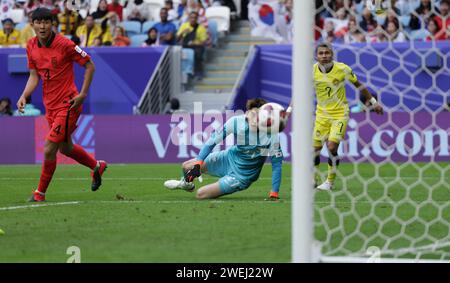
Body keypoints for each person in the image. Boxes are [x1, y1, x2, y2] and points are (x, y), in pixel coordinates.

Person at [16, 8, 108, 202]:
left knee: (49, 148)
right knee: (65, 148)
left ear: (52, 24)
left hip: (69, 104)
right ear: (32, 24)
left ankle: (39, 194)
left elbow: (90, 65)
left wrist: (82, 94)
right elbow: (34, 75)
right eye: (38, 22)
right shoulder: (31, 45)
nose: (42, 26)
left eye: (46, 22)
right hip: (50, 105)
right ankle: (96, 166)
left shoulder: (65, 44)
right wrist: (24, 95)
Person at [164, 98, 288, 200]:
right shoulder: (235, 122)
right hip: (228, 158)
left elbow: (276, 165)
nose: (254, 117)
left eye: (259, 115)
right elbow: (211, 142)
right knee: (186, 166)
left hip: (242, 176)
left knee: (201, 194)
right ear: (247, 112)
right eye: (252, 113)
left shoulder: (271, 136)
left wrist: (274, 193)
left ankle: (222, 183)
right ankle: (186, 184)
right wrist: (198, 163)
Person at [313, 43, 383, 191]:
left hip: (340, 114)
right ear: (316, 56)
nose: (324, 56)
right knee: (315, 150)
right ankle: (313, 180)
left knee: (331, 147)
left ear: (332, 54)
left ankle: (329, 182)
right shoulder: (311, 71)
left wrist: (374, 102)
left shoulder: (342, 69)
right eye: (321, 53)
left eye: (327, 53)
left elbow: (359, 85)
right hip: (321, 115)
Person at [177, 11, 208, 79]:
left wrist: (194, 43)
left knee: (197, 53)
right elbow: (177, 39)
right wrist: (182, 32)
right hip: (185, 45)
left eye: (195, 18)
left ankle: (198, 72)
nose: (193, 19)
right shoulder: (184, 26)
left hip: (196, 46)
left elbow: (204, 42)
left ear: (197, 19)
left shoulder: (201, 28)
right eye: (191, 18)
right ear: (189, 18)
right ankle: (185, 72)